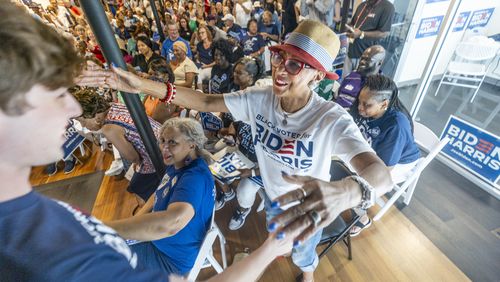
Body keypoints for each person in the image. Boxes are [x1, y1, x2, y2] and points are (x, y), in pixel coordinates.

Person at [78, 19, 393, 282]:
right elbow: (205, 102)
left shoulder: (330, 118)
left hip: (309, 206)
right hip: (273, 195)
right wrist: (141, 85)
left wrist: (350, 192)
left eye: (296, 64)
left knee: (303, 252)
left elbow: (380, 173)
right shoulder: (261, 97)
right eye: (279, 57)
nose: (281, 69)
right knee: (273, 239)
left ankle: (307, 275)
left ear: (318, 75)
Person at [103, 117, 215, 276]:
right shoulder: (178, 165)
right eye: (163, 141)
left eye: (173, 142)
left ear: (192, 144)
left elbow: (172, 223)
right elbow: (157, 194)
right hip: (158, 243)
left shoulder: (194, 177)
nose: (164, 148)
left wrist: (107, 229)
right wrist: (135, 221)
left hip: (170, 259)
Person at [350, 74, 420, 236]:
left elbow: (385, 169)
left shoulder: (396, 125)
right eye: (360, 101)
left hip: (399, 163)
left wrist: (356, 172)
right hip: (375, 149)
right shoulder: (366, 109)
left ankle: (362, 219)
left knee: (361, 186)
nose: (360, 108)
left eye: (366, 105)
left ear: (384, 104)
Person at [72, 87, 163, 210]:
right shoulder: (116, 107)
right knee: (133, 177)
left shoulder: (108, 128)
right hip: (162, 140)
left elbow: (133, 157)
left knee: (136, 186)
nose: (83, 125)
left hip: (158, 157)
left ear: (93, 116)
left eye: (82, 121)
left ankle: (150, 211)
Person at [222, 57, 266, 230]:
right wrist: (232, 132)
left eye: (239, 73)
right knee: (213, 165)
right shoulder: (239, 96)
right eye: (235, 71)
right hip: (242, 151)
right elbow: (236, 123)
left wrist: (252, 171)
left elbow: (274, 163)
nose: (234, 75)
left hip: (258, 163)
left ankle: (243, 210)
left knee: (245, 190)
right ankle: (227, 193)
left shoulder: (261, 104)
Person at [345, 0, 394, 75]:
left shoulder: (387, 7)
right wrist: (350, 29)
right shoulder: (363, 5)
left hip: (367, 59)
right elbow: (353, 23)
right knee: (345, 81)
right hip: (351, 51)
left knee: (360, 83)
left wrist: (362, 34)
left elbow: (384, 33)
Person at [335, 45, 386, 110]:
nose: (362, 62)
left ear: (379, 63)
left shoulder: (382, 87)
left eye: (367, 60)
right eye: (362, 58)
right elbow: (336, 96)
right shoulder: (351, 76)